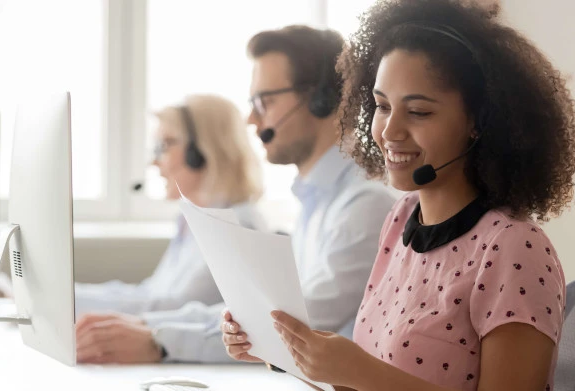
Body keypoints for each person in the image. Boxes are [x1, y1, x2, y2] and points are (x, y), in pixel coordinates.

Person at [222, 1, 575, 390]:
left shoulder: (513, 249)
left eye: (419, 112)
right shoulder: (400, 220)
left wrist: (358, 369)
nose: (390, 131)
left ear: (479, 122)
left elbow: (373, 378)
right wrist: (286, 351)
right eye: (381, 106)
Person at [73, 25, 395, 365]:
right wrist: (152, 327)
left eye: (265, 101)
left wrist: (161, 339)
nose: (251, 118)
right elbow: (257, 312)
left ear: (322, 100)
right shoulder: (317, 204)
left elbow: (294, 326)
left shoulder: (363, 205)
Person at [74, 94, 266, 318]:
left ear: (201, 151)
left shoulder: (237, 226)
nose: (154, 163)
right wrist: (70, 294)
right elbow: (150, 293)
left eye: (163, 146)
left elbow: (174, 308)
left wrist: (69, 302)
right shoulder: (192, 219)